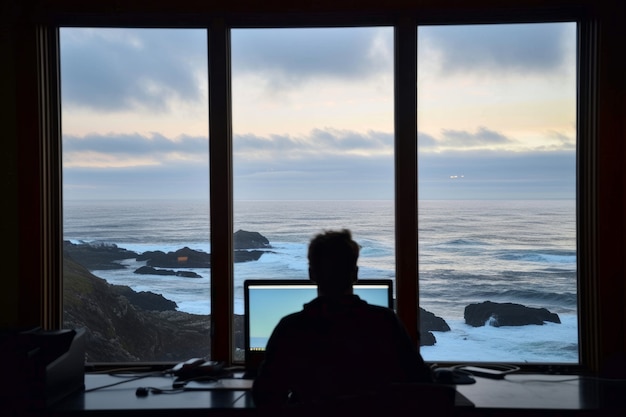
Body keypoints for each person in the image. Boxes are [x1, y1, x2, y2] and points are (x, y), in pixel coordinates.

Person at [252, 229, 433, 408]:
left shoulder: (291, 328)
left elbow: (265, 396)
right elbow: (421, 381)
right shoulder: (385, 322)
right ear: (355, 274)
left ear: (311, 274)